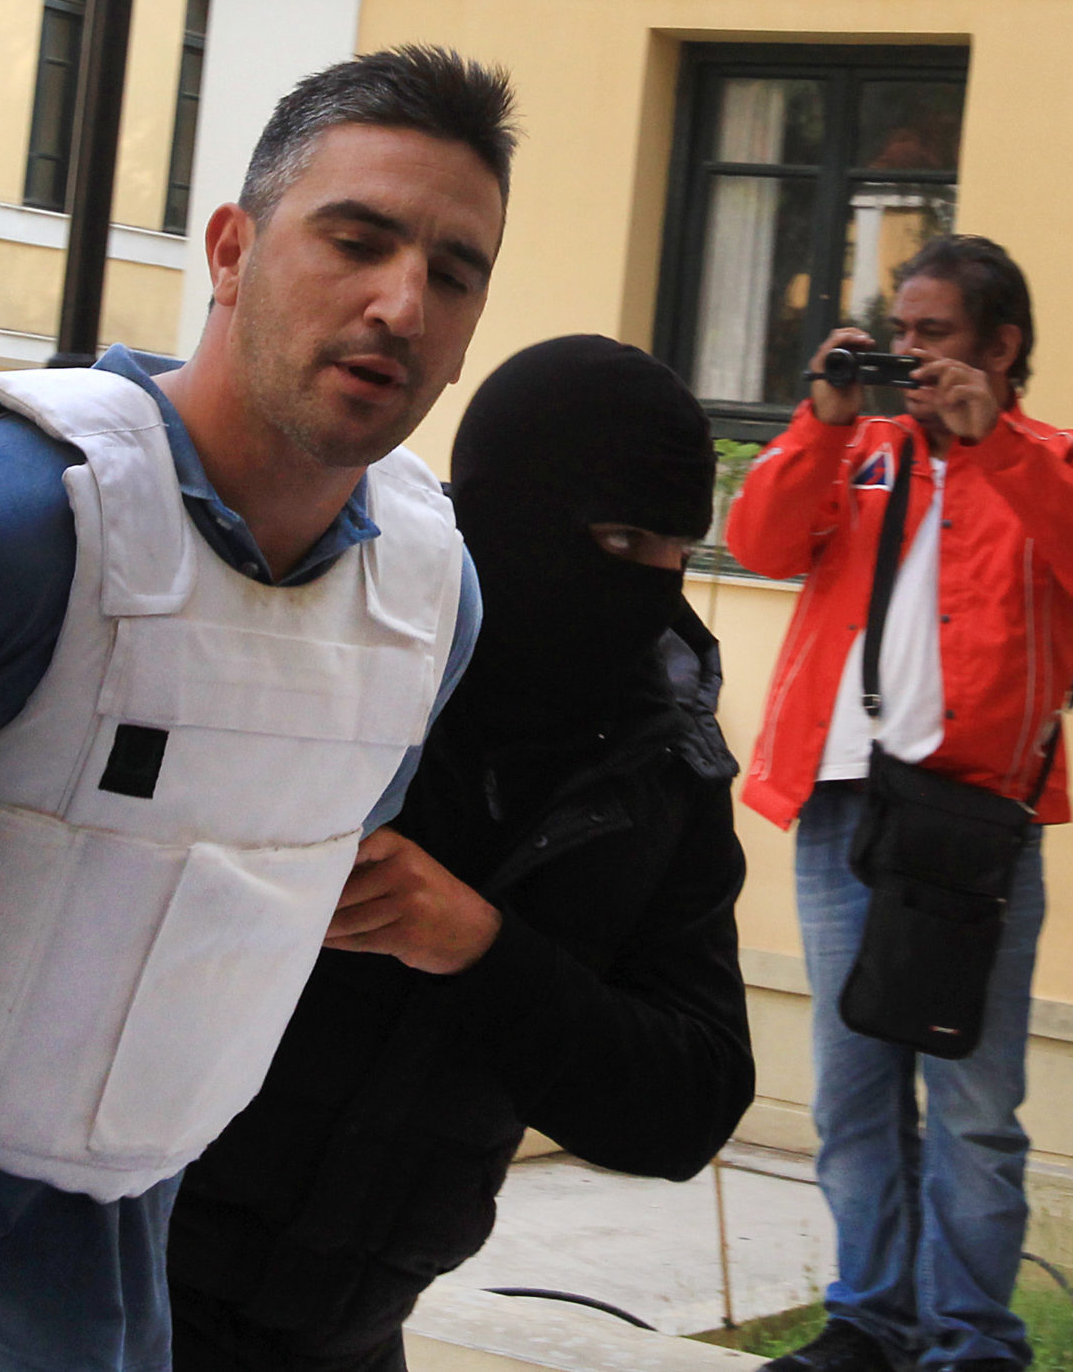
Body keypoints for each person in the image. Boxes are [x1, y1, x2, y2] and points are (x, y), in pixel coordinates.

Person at [0, 47, 514, 1372]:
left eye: (453, 271)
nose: (399, 303)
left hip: (109, 1302)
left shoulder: (433, 597)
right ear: (231, 249)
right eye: (356, 240)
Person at [167, 335, 757, 1372]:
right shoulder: (334, 644)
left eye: (676, 552)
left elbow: (688, 1104)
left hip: (352, 1326)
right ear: (508, 513)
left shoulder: (662, 770)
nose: (651, 587)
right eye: (620, 541)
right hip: (134, 1286)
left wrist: (481, 950)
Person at [723, 236, 1073, 1372]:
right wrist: (819, 417)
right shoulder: (859, 450)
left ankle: (972, 1340)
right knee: (853, 1091)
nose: (910, 356)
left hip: (971, 819)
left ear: (1001, 347)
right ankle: (869, 1321)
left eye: (934, 336)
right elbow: (760, 542)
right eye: (899, 334)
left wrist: (992, 440)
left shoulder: (1069, 455)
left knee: (971, 1097)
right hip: (840, 806)